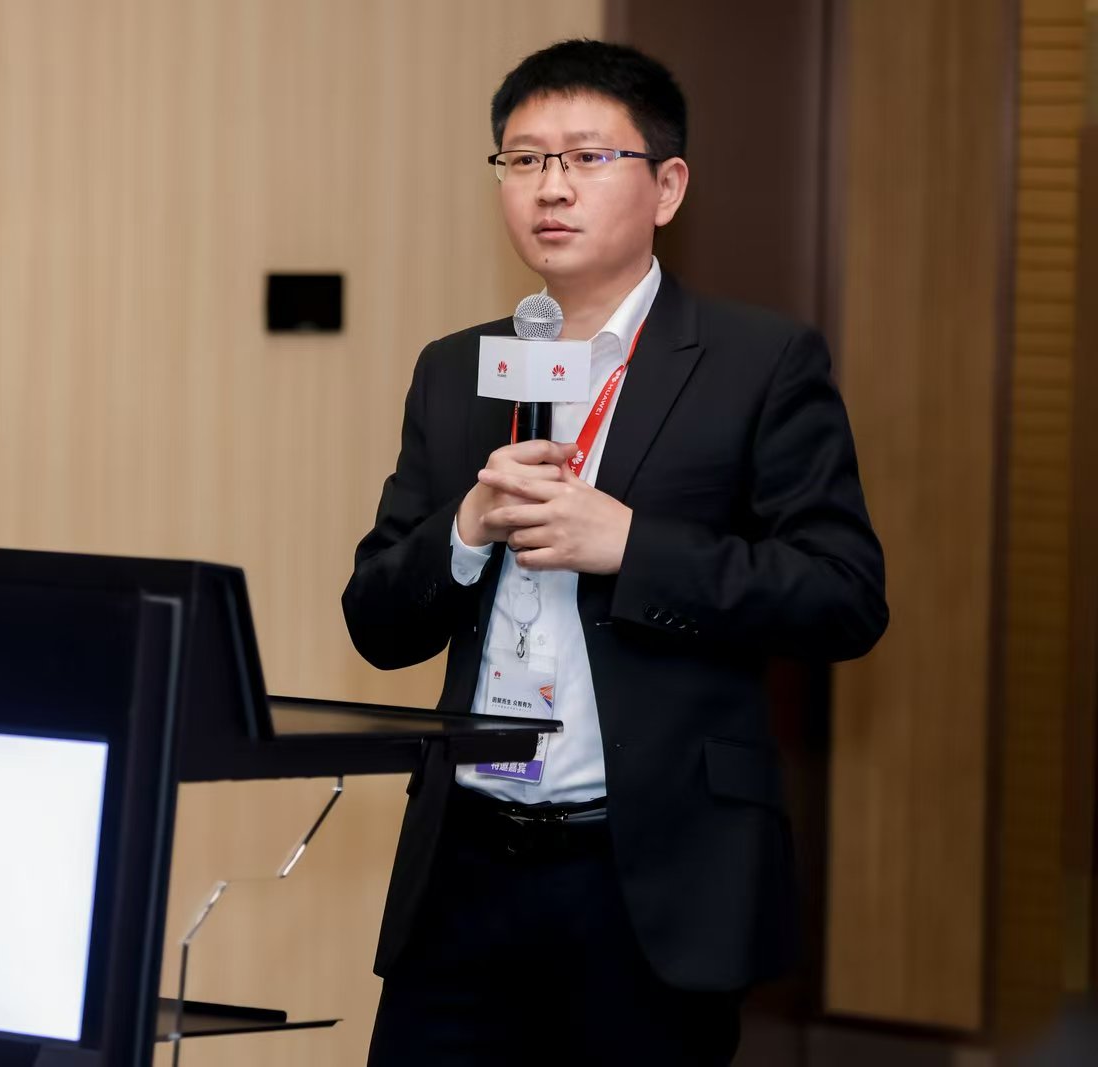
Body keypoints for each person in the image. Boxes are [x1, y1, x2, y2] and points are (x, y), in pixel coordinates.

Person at [342, 39, 887, 1065]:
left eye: (588, 157)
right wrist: (466, 529)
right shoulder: (457, 368)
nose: (550, 186)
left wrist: (632, 544)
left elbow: (842, 595)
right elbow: (374, 620)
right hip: (463, 867)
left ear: (666, 186)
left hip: (650, 878)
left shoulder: (759, 361)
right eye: (523, 159)